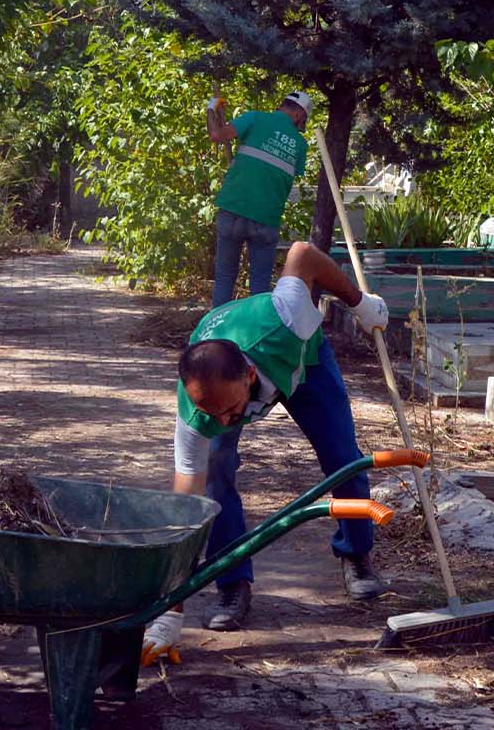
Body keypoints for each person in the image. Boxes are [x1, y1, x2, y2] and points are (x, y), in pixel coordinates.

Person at [139, 241, 392, 664]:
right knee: (215, 478)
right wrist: (170, 610)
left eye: (230, 410)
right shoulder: (197, 411)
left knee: (342, 456)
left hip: (303, 364)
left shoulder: (286, 317)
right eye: (210, 412)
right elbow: (184, 508)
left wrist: (359, 302)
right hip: (232, 354)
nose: (223, 421)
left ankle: (357, 554)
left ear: (250, 375)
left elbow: (301, 253)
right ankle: (232, 584)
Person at [205, 91, 313, 306]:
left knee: (225, 277)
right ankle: (254, 335)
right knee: (260, 286)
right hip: (266, 218)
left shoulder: (254, 118)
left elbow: (216, 136)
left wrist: (211, 108)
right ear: (299, 115)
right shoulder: (300, 145)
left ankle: (215, 335)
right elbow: (287, 174)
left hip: (234, 208)